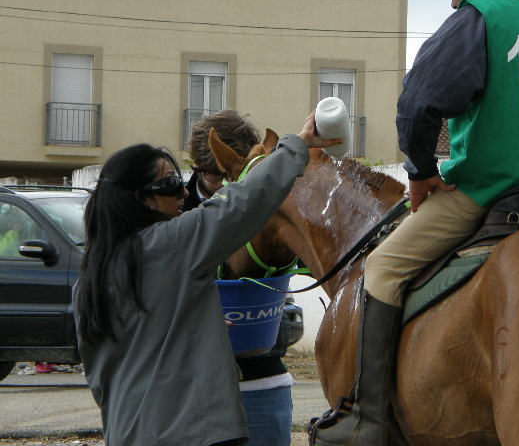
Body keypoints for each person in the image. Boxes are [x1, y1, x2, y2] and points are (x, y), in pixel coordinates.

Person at [311, 0, 519, 446]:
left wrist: (420, 173)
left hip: (492, 194)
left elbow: (420, 102)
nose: (449, 0)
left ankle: (366, 420)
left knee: (382, 269)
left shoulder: (478, 17)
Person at [74, 113, 338, 446]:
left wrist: (200, 335)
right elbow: (244, 202)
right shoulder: (170, 243)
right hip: (189, 433)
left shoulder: (89, 278)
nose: (183, 192)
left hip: (126, 430)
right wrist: (298, 144)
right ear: (139, 198)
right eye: (170, 183)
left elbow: (106, 372)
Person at [186, 109, 294, 446]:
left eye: (233, 175)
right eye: (215, 177)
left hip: (261, 371)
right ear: (197, 168)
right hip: (193, 382)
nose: (226, 185)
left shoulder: (273, 204)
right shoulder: (172, 210)